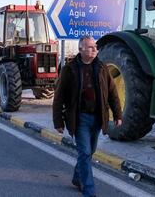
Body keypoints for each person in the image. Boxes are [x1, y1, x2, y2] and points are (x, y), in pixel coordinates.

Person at [53, 35, 123, 197]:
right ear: (81, 49)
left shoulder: (102, 68)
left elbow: (112, 93)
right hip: (80, 118)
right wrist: (58, 121)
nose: (94, 50)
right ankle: (89, 190)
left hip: (98, 117)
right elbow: (59, 97)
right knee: (84, 152)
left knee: (89, 152)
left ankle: (78, 177)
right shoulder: (69, 70)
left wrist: (118, 114)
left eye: (95, 47)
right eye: (90, 47)